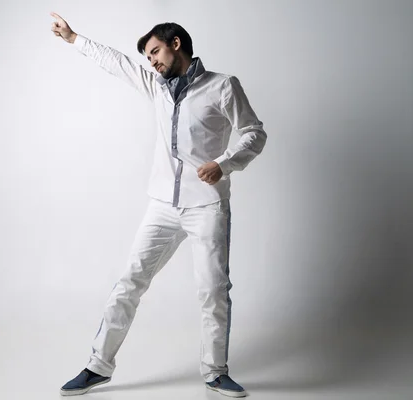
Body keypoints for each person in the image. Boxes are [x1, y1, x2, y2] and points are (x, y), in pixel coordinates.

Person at [50, 11, 266, 398]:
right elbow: (117, 63)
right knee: (129, 282)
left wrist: (224, 163)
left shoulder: (222, 86)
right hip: (163, 206)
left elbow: (254, 132)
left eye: (154, 53)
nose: (151, 62)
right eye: (148, 58)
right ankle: (98, 366)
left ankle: (215, 372)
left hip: (207, 206)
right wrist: (74, 39)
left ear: (175, 44)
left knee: (213, 290)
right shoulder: (156, 84)